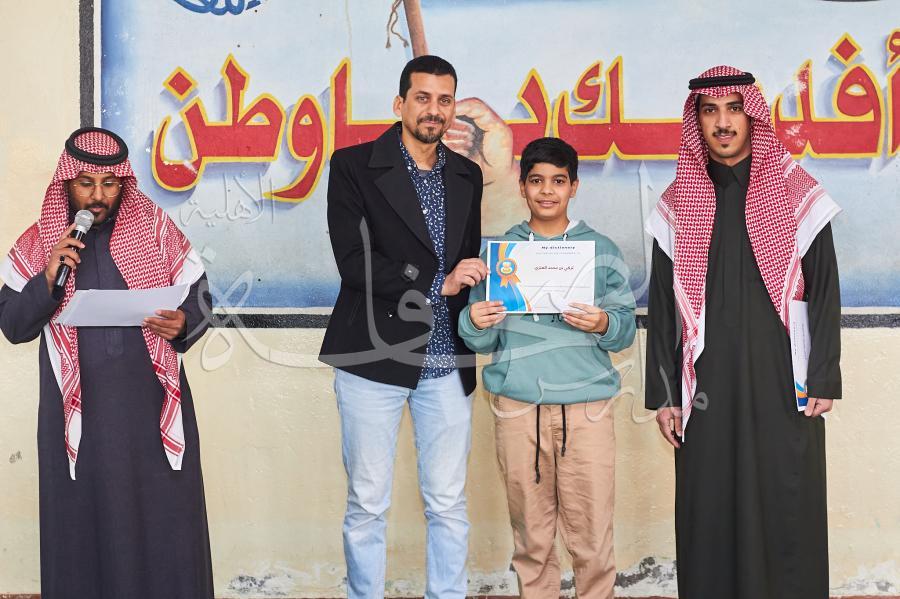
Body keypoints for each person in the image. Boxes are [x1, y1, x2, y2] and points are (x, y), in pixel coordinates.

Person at [644, 66, 842, 598]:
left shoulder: (797, 195)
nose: (723, 123)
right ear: (697, 122)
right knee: (709, 501)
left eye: (734, 109)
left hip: (784, 380)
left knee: (787, 496)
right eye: (710, 111)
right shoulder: (677, 205)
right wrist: (665, 395)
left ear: (752, 116)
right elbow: (663, 308)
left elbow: (824, 290)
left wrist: (824, 375)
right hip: (704, 388)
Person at [0, 127, 213, 599]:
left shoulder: (156, 232)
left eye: (110, 184)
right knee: (83, 532)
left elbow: (200, 300)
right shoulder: (39, 243)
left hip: (152, 416)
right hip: (78, 423)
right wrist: (47, 278)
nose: (97, 196)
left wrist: (184, 323)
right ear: (66, 184)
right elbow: (13, 325)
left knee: (164, 529)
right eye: (86, 184)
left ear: (123, 184)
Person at [318, 55, 484, 599]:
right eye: (423, 98)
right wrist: (436, 282)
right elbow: (355, 262)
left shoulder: (467, 174)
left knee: (449, 503)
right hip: (372, 355)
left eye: (444, 100)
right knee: (368, 503)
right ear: (400, 103)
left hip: (447, 361)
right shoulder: (353, 166)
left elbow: (467, 263)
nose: (434, 109)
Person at [459, 137, 636, 599]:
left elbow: (623, 331)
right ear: (522, 187)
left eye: (558, 181)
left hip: (587, 409)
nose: (547, 191)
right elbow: (482, 338)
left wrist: (603, 323)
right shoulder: (501, 254)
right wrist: (473, 320)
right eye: (536, 181)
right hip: (518, 409)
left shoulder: (600, 250)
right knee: (531, 538)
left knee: (592, 536)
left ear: (574, 187)